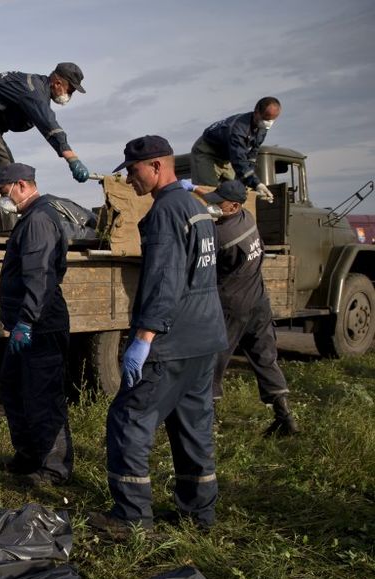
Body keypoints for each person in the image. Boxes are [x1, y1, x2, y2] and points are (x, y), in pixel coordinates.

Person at [90, 136, 228, 535]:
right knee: (193, 425)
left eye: (132, 171)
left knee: (129, 419)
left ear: (155, 167)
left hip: (172, 340)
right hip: (204, 337)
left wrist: (145, 336)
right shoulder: (195, 207)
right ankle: (199, 514)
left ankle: (131, 518)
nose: (129, 179)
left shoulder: (166, 211)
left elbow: (165, 280)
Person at [0, 163, 74, 486]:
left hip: (40, 326)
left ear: (21, 185)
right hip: (27, 326)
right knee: (13, 388)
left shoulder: (38, 220)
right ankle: (28, 457)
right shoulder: (30, 219)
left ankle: (54, 469)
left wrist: (26, 321)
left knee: (43, 396)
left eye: (3, 191)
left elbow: (40, 277)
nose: (1, 199)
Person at [202, 180, 299, 436]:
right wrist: (192, 187)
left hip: (231, 307)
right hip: (259, 302)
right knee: (265, 358)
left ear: (233, 206)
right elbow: (214, 199)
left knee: (214, 361)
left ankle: (208, 422)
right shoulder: (247, 217)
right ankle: (285, 416)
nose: (213, 205)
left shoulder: (222, 236)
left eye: (218, 203)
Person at [0, 63, 90, 234]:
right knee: (6, 174)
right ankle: (6, 233)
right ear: (58, 83)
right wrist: (72, 158)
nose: (70, 94)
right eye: (70, 89)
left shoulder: (37, 90)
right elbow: (49, 124)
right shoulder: (34, 92)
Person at [190, 97, 282, 202]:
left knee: (235, 191)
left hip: (226, 156)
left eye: (272, 120)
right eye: (266, 119)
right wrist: (257, 183)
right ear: (256, 113)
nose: (268, 123)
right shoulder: (237, 129)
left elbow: (252, 154)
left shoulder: (262, 128)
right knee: (209, 191)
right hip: (206, 153)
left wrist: (250, 181)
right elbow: (239, 160)